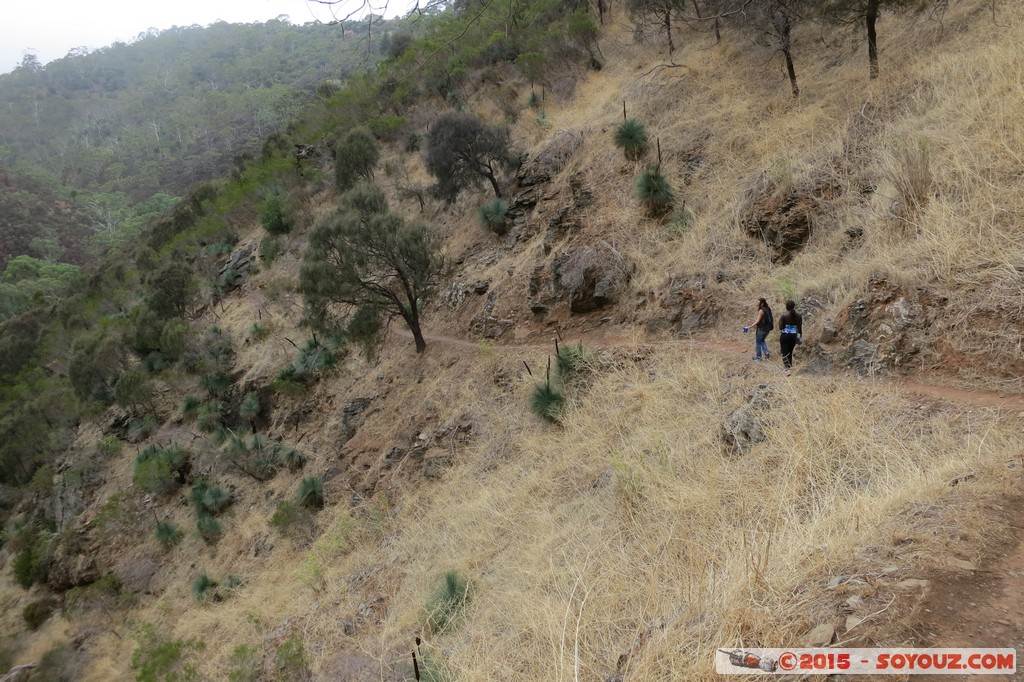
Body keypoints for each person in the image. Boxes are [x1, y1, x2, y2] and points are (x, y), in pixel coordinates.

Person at [778, 300, 803, 376]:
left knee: (784, 351)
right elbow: (799, 328)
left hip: (785, 335)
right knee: (790, 352)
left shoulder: (784, 316)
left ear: (786, 307)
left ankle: (786, 369)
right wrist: (799, 337)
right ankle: (789, 367)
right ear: (794, 306)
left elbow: (780, 327)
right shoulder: (799, 316)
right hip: (794, 336)